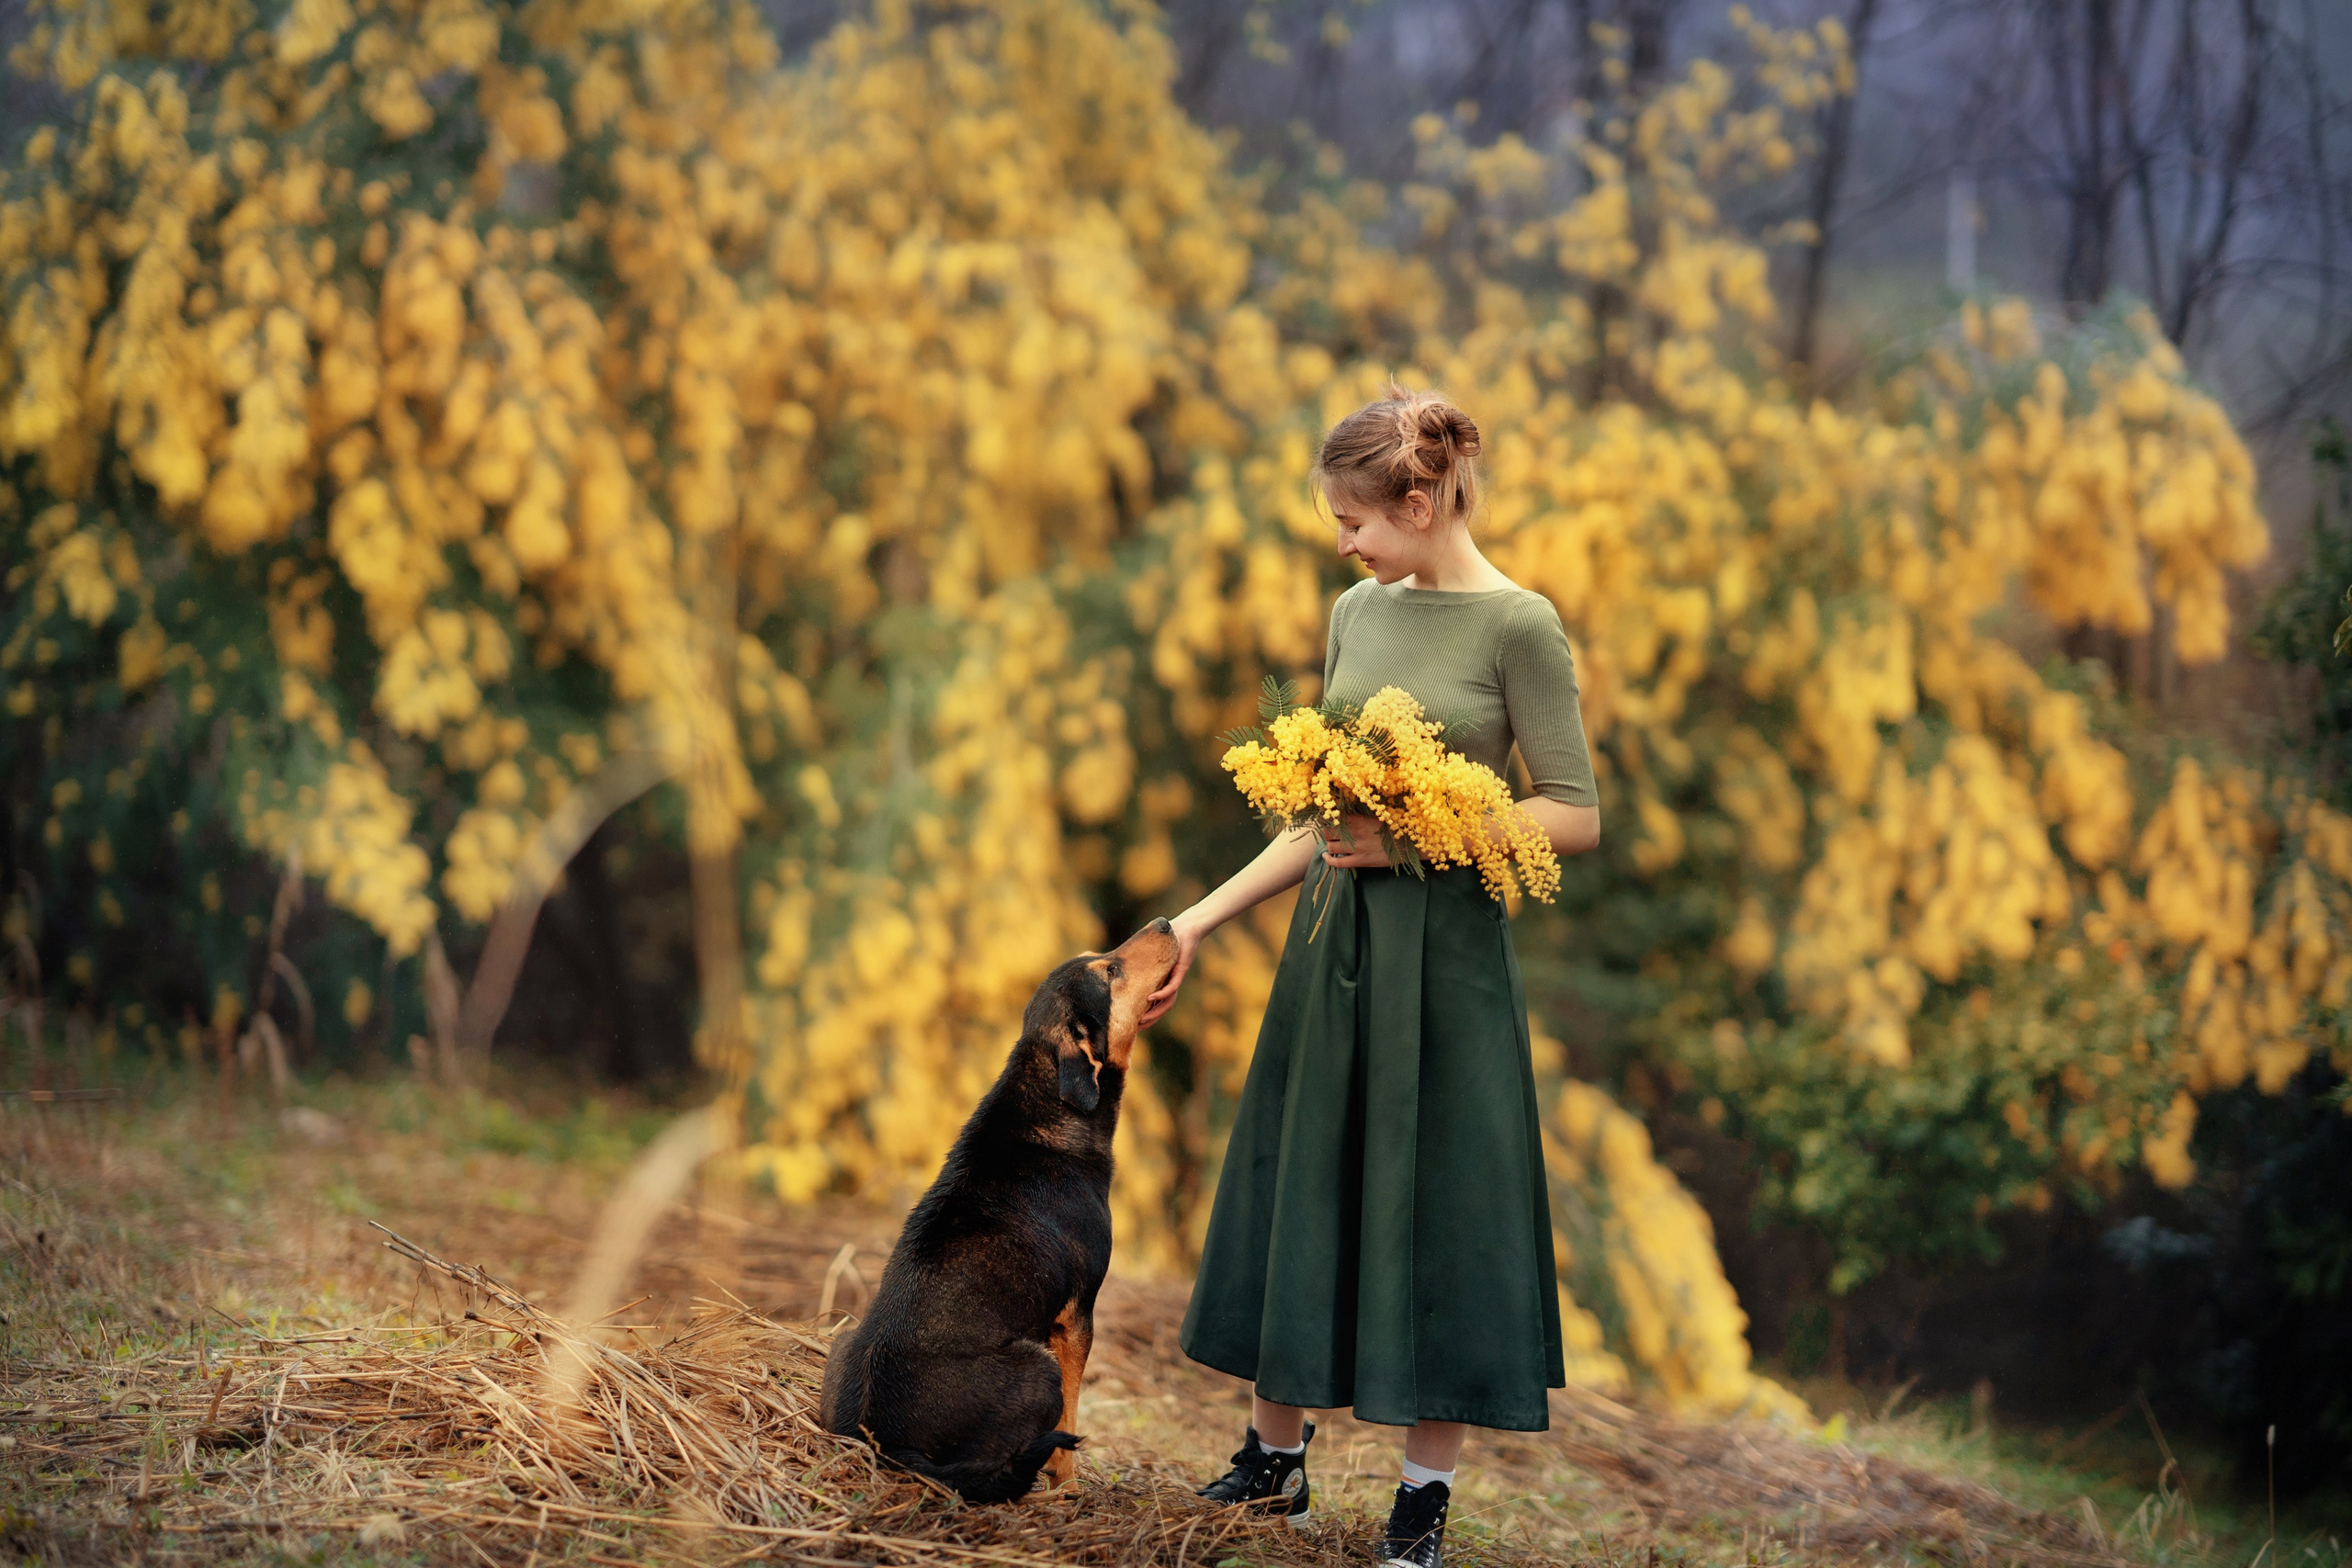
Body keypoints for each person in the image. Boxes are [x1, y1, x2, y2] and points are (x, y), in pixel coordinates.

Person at [1137, 387, 1601, 1568]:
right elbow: (1315, 823)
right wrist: (1188, 926)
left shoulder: (1520, 627)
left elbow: (1575, 815)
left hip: (1447, 969)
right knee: (1306, 1179)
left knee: (1445, 1205)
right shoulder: (1356, 611)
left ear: (1418, 498)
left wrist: (1422, 840)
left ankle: (1420, 1505)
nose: (1341, 543)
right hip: (1330, 954)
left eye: (1353, 519)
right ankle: (1272, 1464)